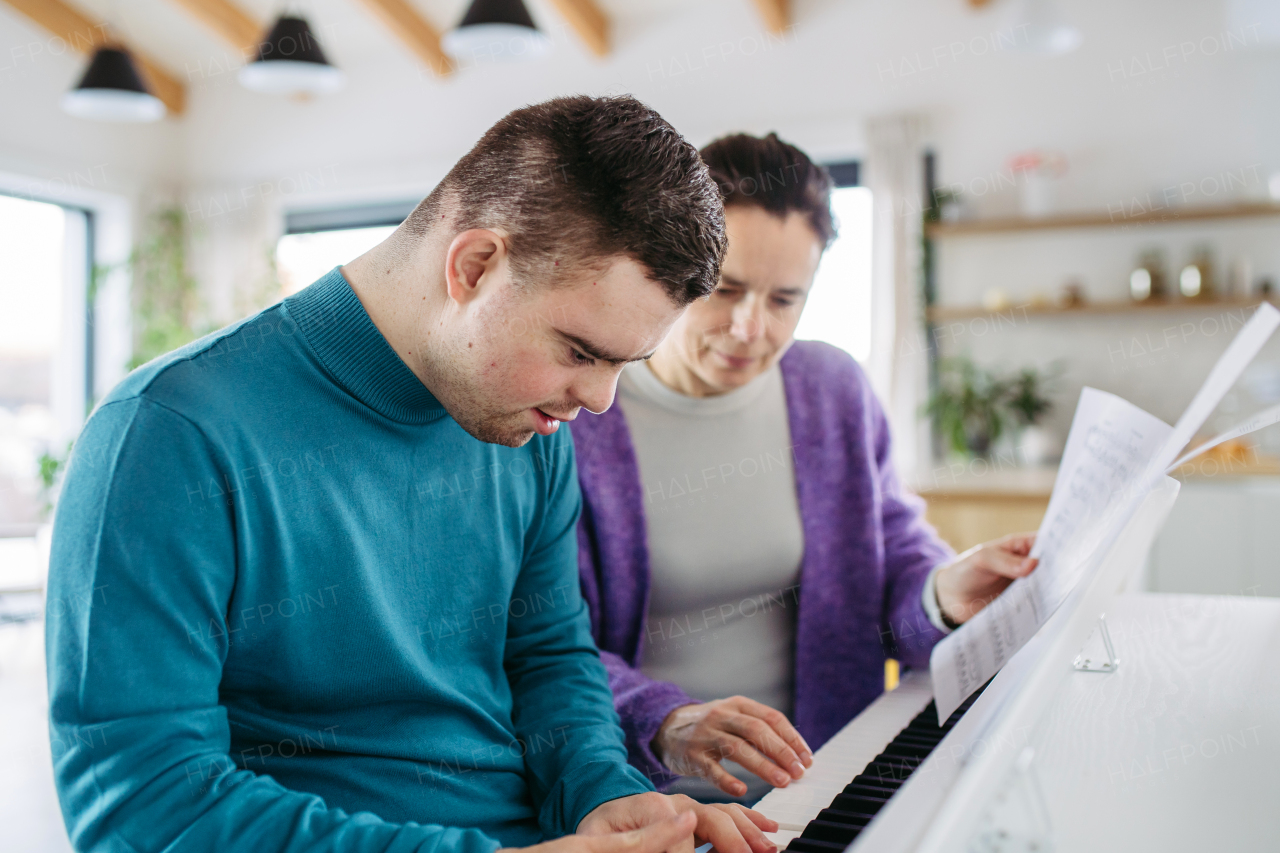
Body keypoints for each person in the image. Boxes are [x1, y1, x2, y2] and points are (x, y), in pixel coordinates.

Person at [45, 96, 779, 853]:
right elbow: (142, 802)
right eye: (581, 352)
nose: (598, 400)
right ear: (474, 265)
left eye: (626, 363)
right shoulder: (168, 430)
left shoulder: (533, 425)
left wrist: (603, 795)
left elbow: (549, 655)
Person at [571, 132, 1038, 802]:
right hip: (653, 801)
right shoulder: (580, 412)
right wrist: (667, 719)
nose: (749, 327)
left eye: (784, 299)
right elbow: (551, 652)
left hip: (824, 787)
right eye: (725, 289)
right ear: (671, 263)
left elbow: (896, 557)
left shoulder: (832, 390)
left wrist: (940, 592)